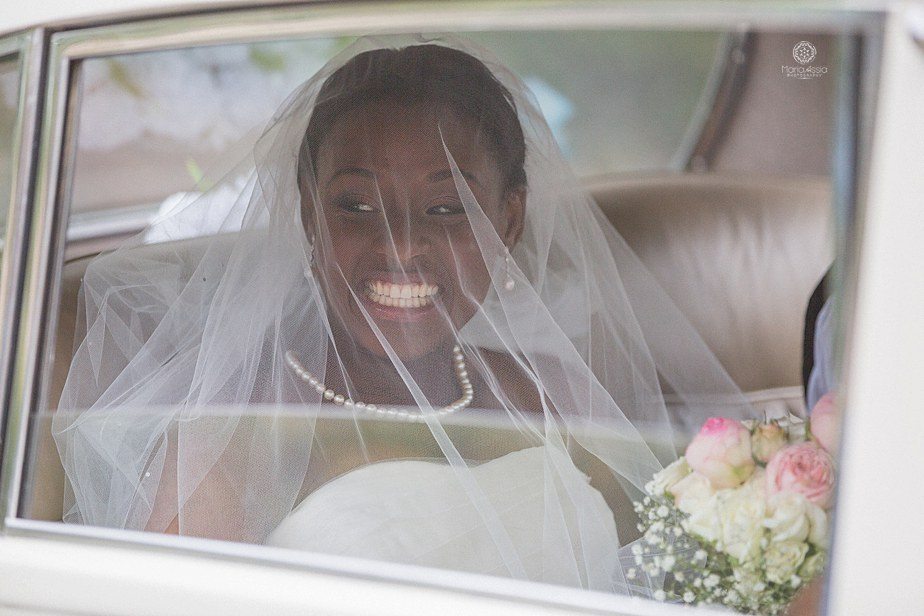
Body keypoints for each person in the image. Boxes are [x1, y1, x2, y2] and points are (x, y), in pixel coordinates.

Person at [52, 36, 755, 595]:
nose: (401, 246)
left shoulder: (552, 394)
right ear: (307, 211)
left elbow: (667, 575)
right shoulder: (228, 439)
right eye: (355, 206)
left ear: (507, 221)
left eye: (448, 209)